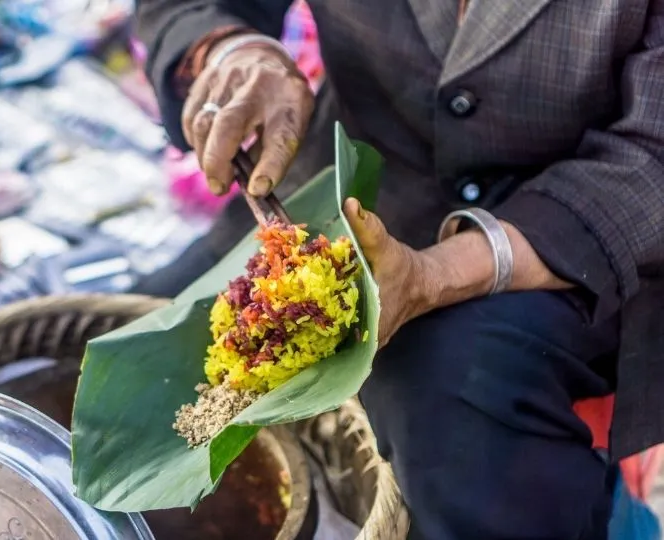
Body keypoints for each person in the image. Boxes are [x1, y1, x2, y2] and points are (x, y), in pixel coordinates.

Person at [135, 1, 664, 538]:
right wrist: (232, 48)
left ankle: (605, 516)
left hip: (585, 235)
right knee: (142, 369)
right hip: (342, 194)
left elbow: (653, 153)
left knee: (450, 405)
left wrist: (435, 274)